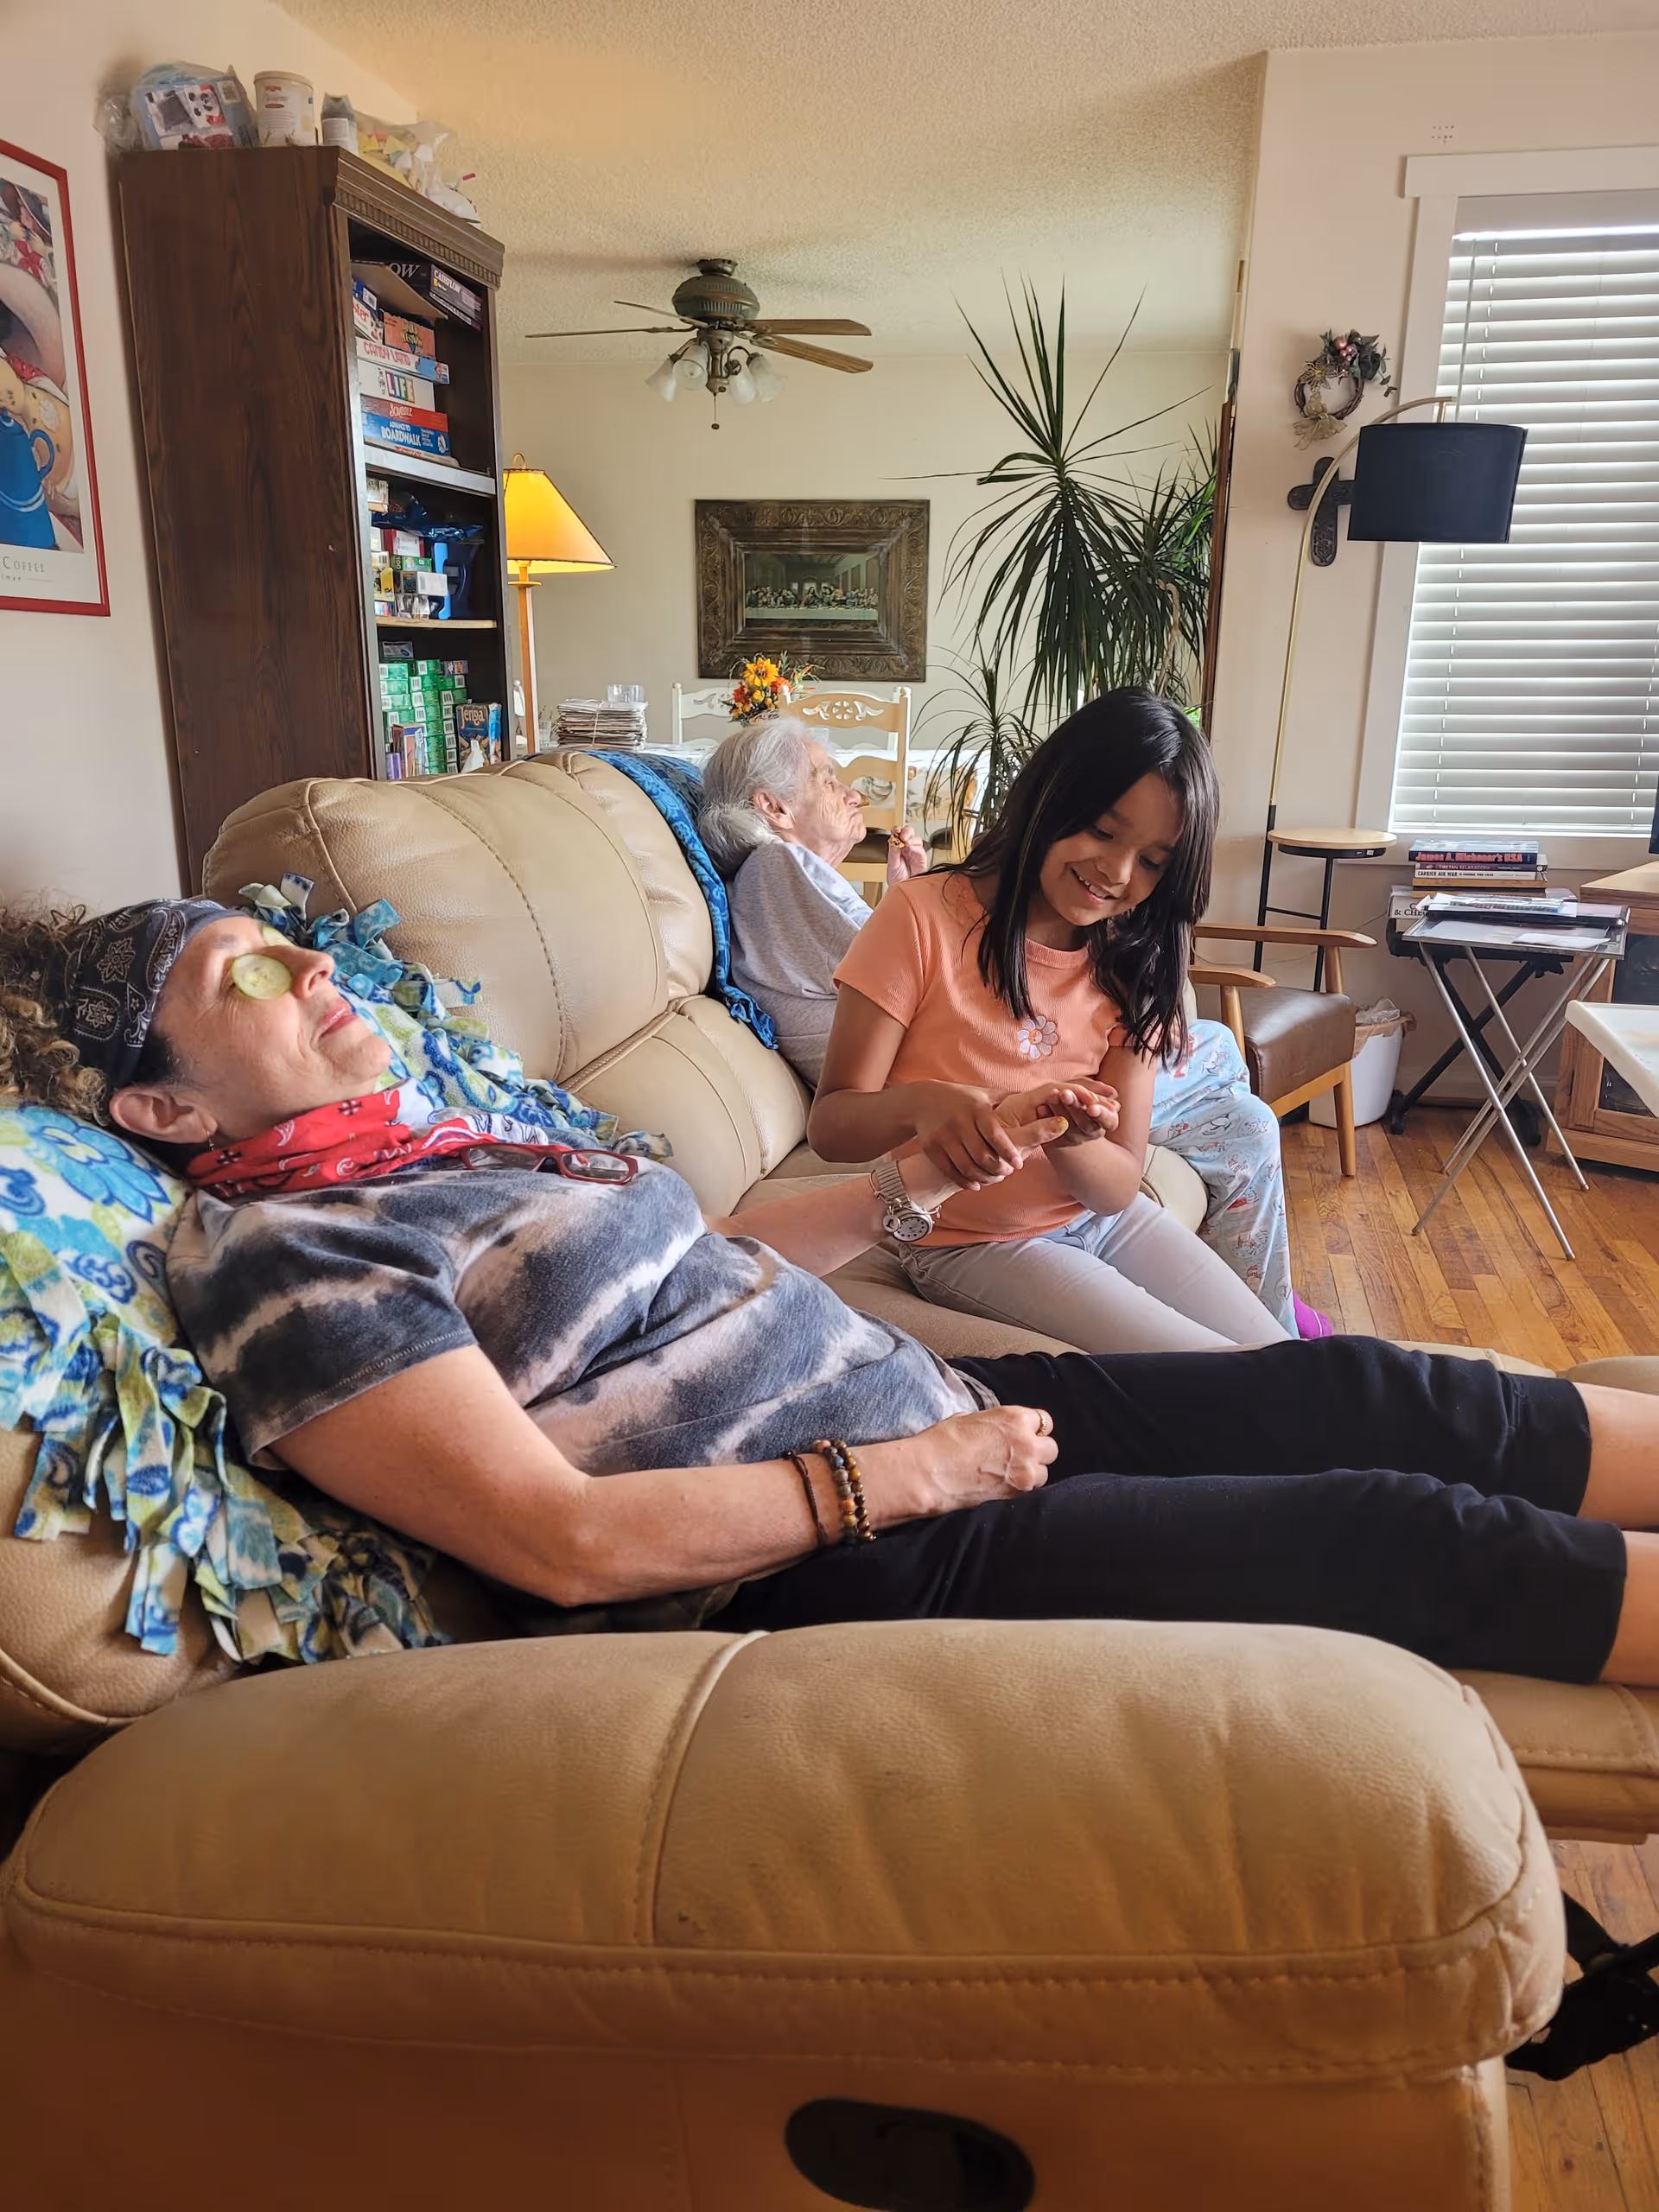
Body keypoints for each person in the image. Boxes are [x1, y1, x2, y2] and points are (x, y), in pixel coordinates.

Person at [3, 891, 1656, 1688]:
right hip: (855, 1558)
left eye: (288, 944)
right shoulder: (291, 1260)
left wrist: (922, 1178)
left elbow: (702, 1258)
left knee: (1375, 1390)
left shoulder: (432, 1144)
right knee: (1392, 1530)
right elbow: (554, 1544)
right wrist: (911, 1474)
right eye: (246, 978)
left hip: (934, 1415)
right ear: (162, 1111)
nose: (311, 966)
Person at [702, 713, 1317, 1334]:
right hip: (968, 1243)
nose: (1118, 873)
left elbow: (1114, 1191)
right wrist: (923, 1106)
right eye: (1103, 831)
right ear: (1052, 798)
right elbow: (833, 1125)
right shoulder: (919, 918)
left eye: (1154, 862)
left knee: (1277, 1358)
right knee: (1221, 1382)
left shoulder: (1136, 958)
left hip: (1102, 1221)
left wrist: (1071, 1137)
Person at [701, 715, 928, 1085]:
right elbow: (911, 974)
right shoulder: (777, 867)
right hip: (912, 1090)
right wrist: (922, 896)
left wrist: (909, 891)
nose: (854, 795)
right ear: (774, 808)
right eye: (827, 780)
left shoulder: (780, 876)